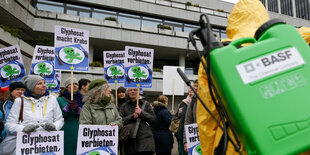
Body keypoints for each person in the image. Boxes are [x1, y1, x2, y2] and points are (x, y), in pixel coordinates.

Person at [0, 75, 64, 154]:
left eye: (44, 83)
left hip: (47, 144)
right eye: (39, 83)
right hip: (26, 146)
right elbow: (9, 125)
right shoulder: (19, 101)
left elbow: (59, 119)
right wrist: (22, 129)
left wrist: (55, 126)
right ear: (31, 87)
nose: (44, 85)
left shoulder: (53, 100)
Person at [119, 88, 155, 155]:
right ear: (128, 93)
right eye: (130, 90)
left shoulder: (146, 104)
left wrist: (141, 112)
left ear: (138, 92)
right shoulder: (124, 106)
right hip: (130, 141)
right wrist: (132, 116)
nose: (133, 91)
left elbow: (153, 119)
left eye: (135, 90)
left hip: (145, 141)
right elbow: (120, 121)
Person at [57, 77, 83, 155]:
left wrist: (78, 110)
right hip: (66, 129)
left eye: (76, 84)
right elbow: (57, 117)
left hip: (79, 129)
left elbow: (86, 116)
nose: (74, 86)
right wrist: (66, 109)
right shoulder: (60, 100)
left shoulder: (82, 99)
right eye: (71, 84)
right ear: (66, 87)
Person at [175, 84, 196, 155]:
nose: (191, 89)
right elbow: (175, 117)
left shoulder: (198, 101)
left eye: (192, 88)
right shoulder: (183, 102)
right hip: (183, 132)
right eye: (190, 88)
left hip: (194, 133)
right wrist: (178, 113)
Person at [183, 80, 198, 153]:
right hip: (196, 140)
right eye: (195, 86)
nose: (195, 88)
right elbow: (188, 122)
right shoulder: (192, 102)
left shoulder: (212, 101)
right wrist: (186, 141)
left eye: (198, 86)